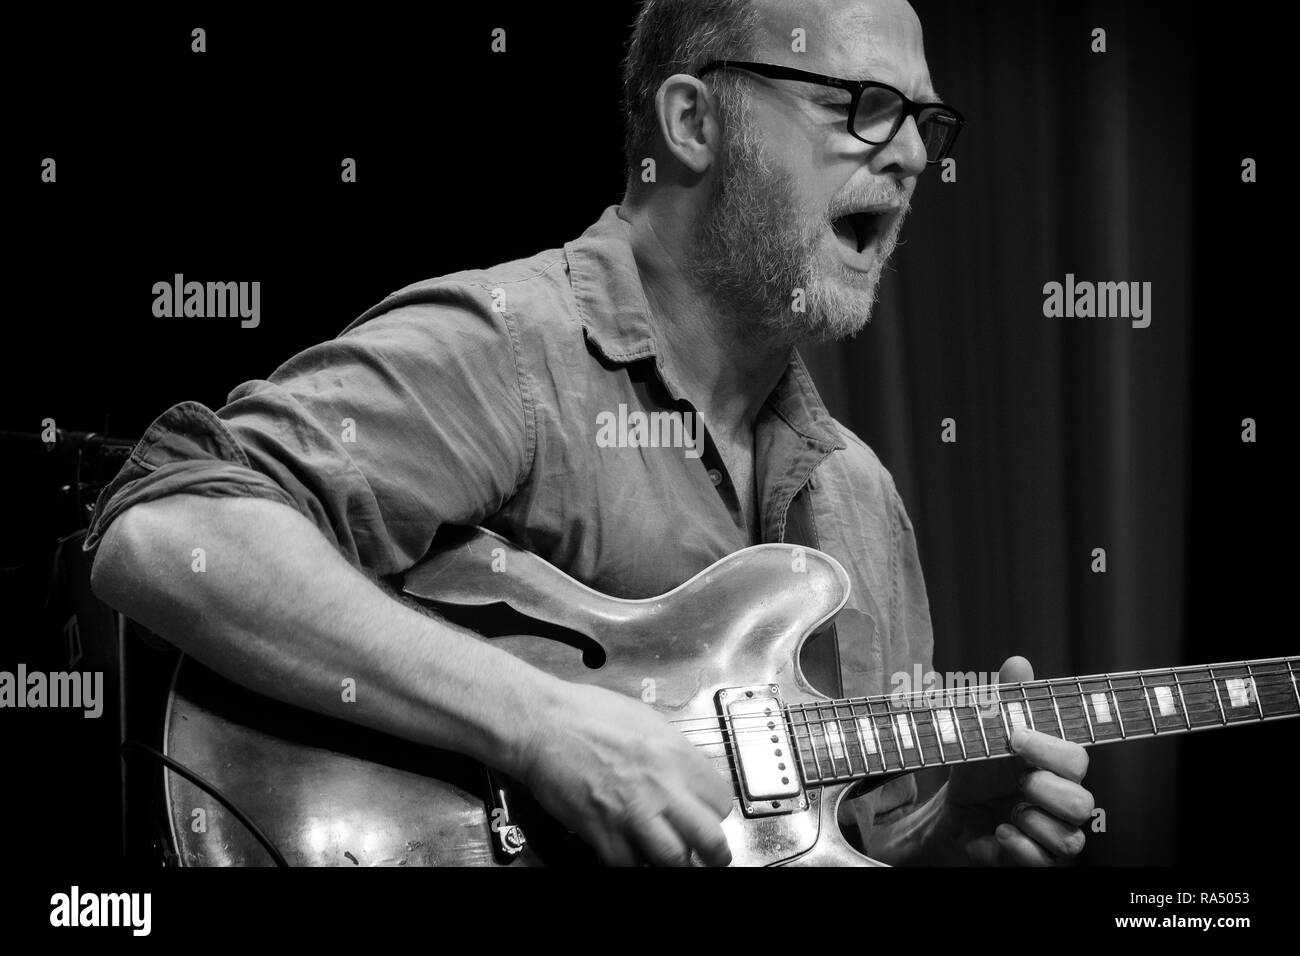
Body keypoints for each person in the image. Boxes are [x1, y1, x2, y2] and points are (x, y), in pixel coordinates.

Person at [87, 0, 1093, 866]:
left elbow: (836, 844)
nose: (913, 153)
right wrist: (540, 724)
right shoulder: (513, 351)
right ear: (693, 121)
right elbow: (163, 529)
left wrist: (948, 837)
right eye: (862, 105)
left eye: (924, 119)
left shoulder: (863, 500)